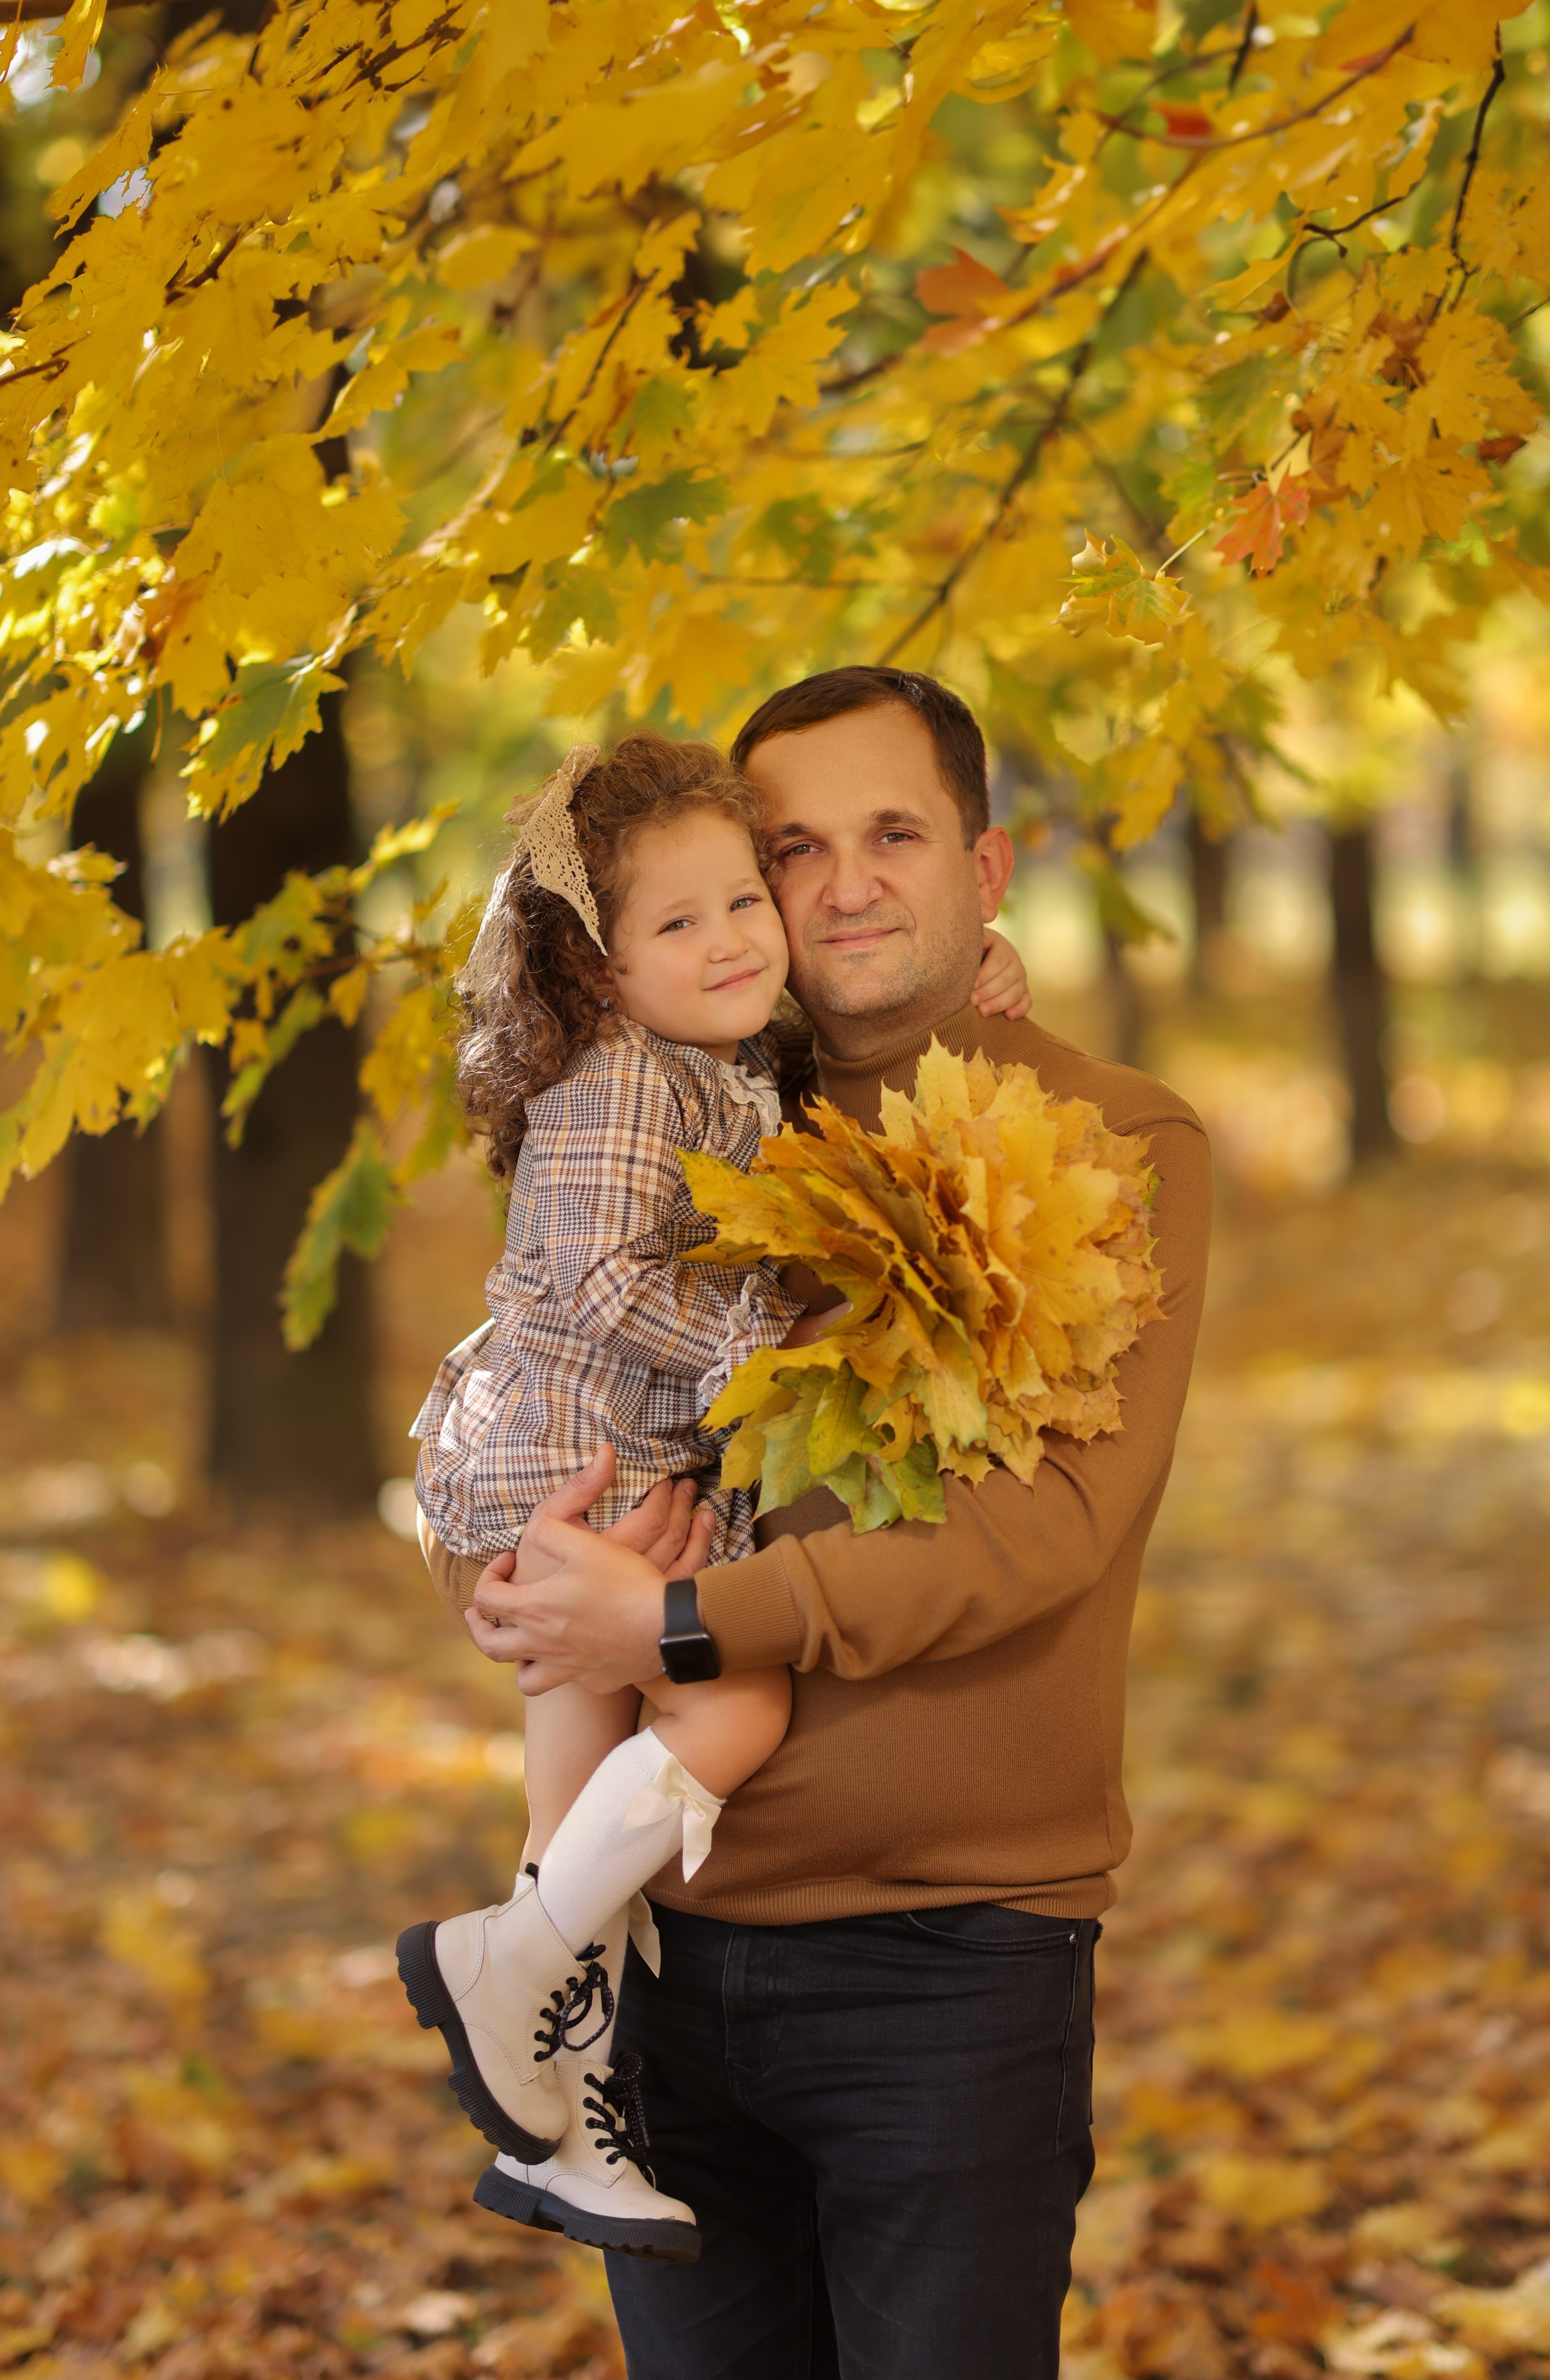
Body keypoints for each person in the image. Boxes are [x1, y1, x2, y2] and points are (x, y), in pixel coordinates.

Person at [466, 667, 1213, 2380]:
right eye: (794, 846)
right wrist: (523, 1584)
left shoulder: (1107, 1139)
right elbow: (537, 1385)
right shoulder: (693, 1111)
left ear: (988, 865)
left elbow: (1030, 1537)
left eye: (896, 834)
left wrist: (661, 1627)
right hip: (660, 1947)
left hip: (945, 1966)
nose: (846, 883)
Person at [398, 731, 1031, 2265]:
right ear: (600, 972)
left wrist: (982, 971)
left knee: (589, 1823)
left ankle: (570, 2115)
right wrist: (772, 1347)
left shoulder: (719, 1058)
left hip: (605, 1458)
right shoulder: (622, 1083)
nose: (738, 937)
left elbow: (859, 1004)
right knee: (724, 1721)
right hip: (571, 1456)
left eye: (744, 898)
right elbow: (600, 1279)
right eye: (675, 925)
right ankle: (515, 1957)